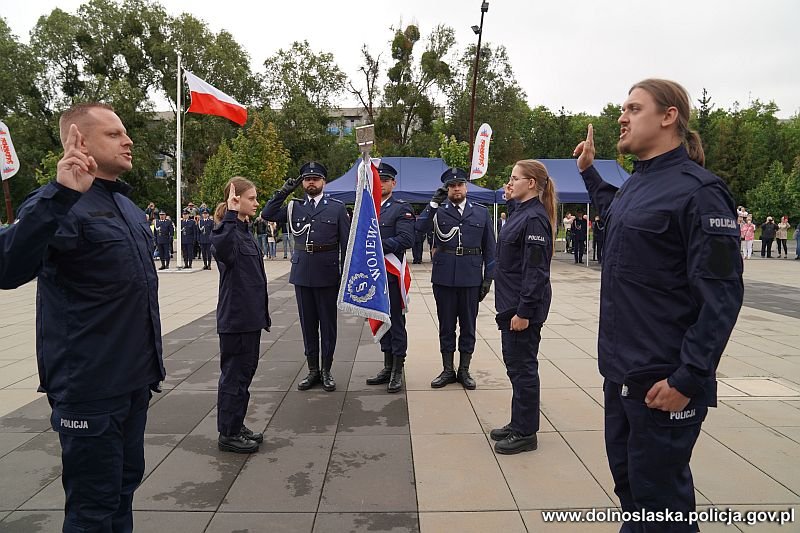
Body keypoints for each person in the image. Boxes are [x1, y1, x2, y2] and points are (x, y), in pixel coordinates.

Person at [573, 79, 743, 532]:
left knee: (660, 505)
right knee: (633, 495)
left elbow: (722, 297)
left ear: (669, 117)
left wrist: (688, 378)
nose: (621, 118)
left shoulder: (699, 191)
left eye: (634, 108)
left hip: (663, 383)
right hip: (621, 374)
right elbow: (615, 209)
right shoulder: (638, 184)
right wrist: (589, 171)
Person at [0, 103, 165, 532]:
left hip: (132, 380)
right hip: (90, 386)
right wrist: (60, 194)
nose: (128, 140)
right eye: (114, 134)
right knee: (93, 506)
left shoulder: (126, 206)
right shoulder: (60, 201)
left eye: (125, 132)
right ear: (81, 139)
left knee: (124, 489)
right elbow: (8, 267)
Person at [262, 161, 349, 391]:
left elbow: (347, 244)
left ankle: (327, 370)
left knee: (328, 326)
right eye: (307, 179)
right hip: (302, 274)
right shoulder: (294, 207)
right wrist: (284, 191)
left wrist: (347, 275)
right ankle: (312, 370)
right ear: (302, 183)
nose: (311, 182)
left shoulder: (337, 208)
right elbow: (267, 213)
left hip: (328, 272)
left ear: (324, 182)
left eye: (316, 178)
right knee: (307, 325)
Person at [490, 160, 557, 455]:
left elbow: (536, 271)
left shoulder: (534, 219)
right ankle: (518, 422)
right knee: (516, 368)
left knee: (523, 369)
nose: (510, 182)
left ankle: (526, 432)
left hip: (521, 308)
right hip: (511, 304)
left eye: (515, 178)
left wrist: (525, 312)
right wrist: (511, 203)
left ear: (531, 183)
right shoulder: (523, 213)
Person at [415, 167, 496, 390]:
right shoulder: (438, 211)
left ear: (465, 186)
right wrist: (432, 204)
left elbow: (490, 247)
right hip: (444, 278)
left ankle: (464, 370)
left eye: (459, 184)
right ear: (447, 189)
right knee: (446, 325)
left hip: (471, 277)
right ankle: (448, 369)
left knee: (468, 326)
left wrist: (488, 278)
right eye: (452, 186)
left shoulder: (480, 212)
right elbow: (418, 229)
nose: (456, 189)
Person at [211, 177, 270, 453]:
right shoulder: (229, 230)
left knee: (244, 376)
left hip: (249, 318)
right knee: (234, 377)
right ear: (237, 200)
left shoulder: (244, 230)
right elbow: (221, 249)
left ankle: (236, 423)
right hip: (236, 320)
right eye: (252, 198)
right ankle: (228, 433)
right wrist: (232, 213)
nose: (256, 203)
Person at [366, 162, 415, 393]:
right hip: (373, 275)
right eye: (379, 179)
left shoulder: (401, 208)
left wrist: (375, 246)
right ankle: (387, 366)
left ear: (393, 183)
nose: (382, 183)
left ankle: (397, 369)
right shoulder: (368, 206)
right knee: (379, 318)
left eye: (385, 180)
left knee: (395, 322)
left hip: (391, 274)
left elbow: (406, 239)